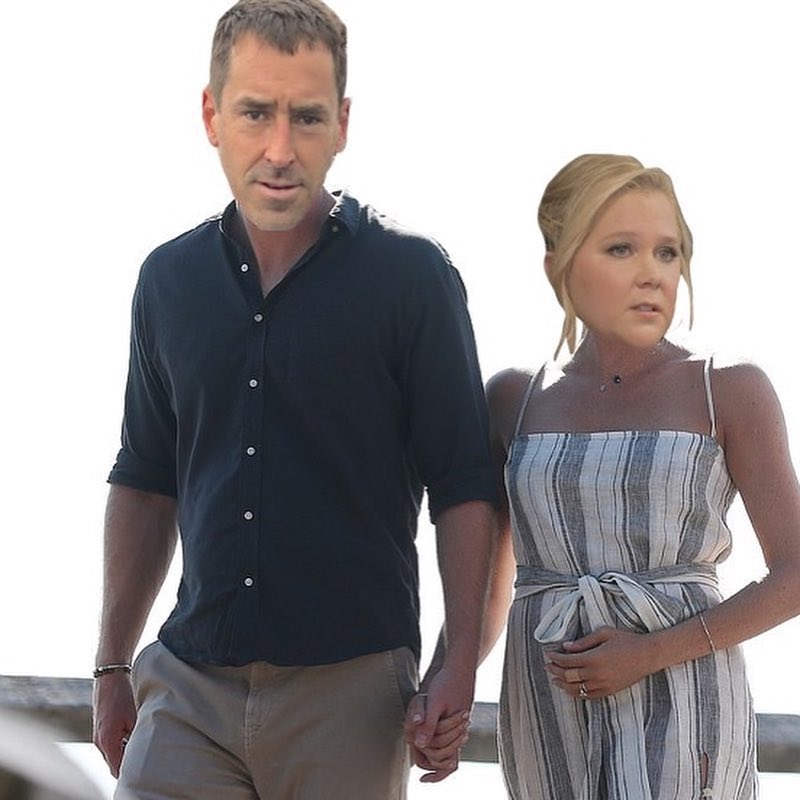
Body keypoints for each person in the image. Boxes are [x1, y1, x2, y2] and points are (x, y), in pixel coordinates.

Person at [91, 1, 497, 797]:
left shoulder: (412, 278)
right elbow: (145, 478)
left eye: (306, 117)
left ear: (342, 123)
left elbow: (463, 484)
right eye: (255, 113)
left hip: (350, 694)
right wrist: (111, 664)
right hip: (188, 687)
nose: (280, 149)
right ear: (212, 116)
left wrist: (456, 665)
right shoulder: (167, 281)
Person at [481, 153, 800, 799]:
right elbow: (487, 581)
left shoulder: (727, 388)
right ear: (560, 264)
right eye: (621, 249)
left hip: (683, 699)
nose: (652, 273)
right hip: (545, 699)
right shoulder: (514, 397)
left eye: (668, 252)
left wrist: (650, 653)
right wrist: (449, 677)